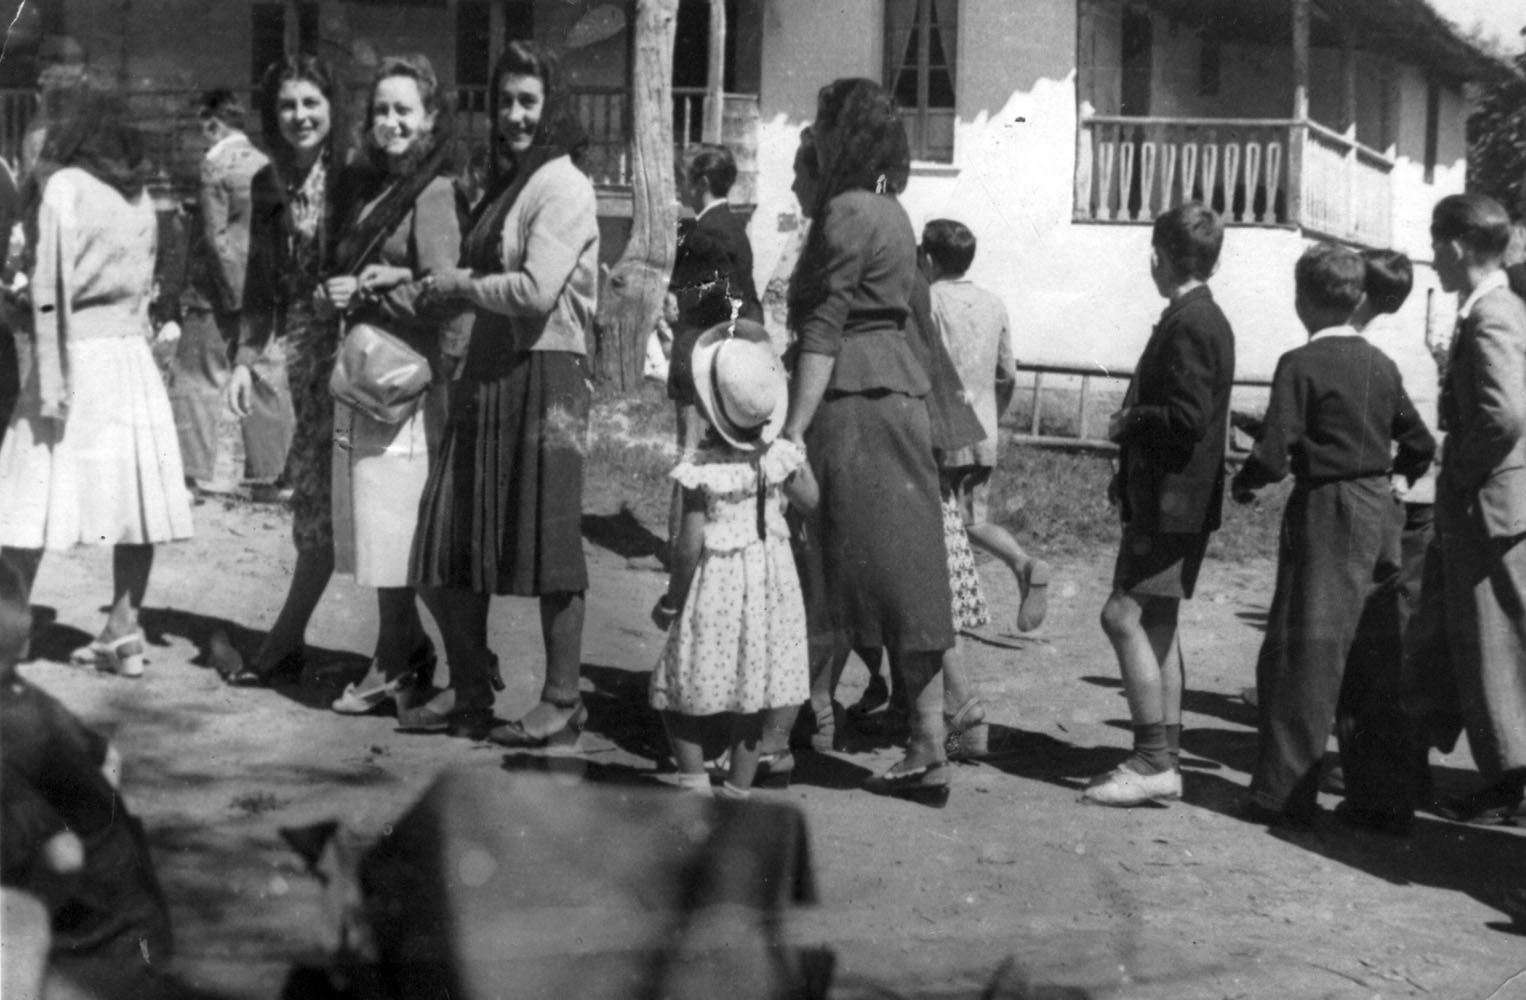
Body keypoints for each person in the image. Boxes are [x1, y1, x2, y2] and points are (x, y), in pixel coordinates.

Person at [401, 41, 599, 745]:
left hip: (545, 374)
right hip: (490, 370)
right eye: (506, 101)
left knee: (547, 544)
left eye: (529, 102)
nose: (514, 115)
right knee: (450, 535)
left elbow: (538, 289)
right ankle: (471, 691)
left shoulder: (563, 185)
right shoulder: (512, 184)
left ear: (552, 109)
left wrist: (459, 285)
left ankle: (563, 699)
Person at [784, 78, 955, 806]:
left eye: (822, 123)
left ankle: (826, 723)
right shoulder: (892, 209)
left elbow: (823, 330)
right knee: (903, 570)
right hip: (897, 394)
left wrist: (791, 431)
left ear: (842, 135)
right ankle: (923, 737)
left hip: (852, 400)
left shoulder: (846, 213)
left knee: (834, 564)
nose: (815, 133)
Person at [1230, 244, 1434, 829]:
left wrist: (1247, 483)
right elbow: (1419, 442)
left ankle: (1284, 794)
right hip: (1381, 513)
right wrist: (1395, 477)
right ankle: (1382, 799)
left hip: (1327, 508)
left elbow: (1274, 453)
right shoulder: (1380, 364)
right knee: (1374, 653)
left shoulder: (1300, 363)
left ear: (1302, 300)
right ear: (1356, 299)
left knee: (1304, 651)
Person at [0, 84, 194, 678]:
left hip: (75, 354)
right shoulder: (137, 195)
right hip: (129, 358)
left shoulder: (64, 189)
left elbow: (51, 292)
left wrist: (50, 375)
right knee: (133, 498)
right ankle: (123, 631)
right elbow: (143, 284)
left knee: (22, 496)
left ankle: (8, 633)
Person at [325, 55, 468, 715]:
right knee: (382, 530)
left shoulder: (434, 192)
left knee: (399, 532)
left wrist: (385, 288)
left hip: (407, 384)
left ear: (430, 118)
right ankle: (407, 657)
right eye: (381, 110)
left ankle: (436, 661)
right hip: (369, 379)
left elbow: (446, 296)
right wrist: (343, 290)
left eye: (403, 111)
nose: (390, 122)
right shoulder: (366, 186)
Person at [1087, 201, 1235, 807]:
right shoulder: (1200, 316)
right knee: (1157, 624)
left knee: (1121, 616)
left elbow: (1187, 418)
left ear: (1159, 256)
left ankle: (1150, 760)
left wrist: (1130, 421)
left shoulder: (1193, 322)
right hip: (1176, 501)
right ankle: (1164, 758)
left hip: (1171, 505)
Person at [225, 55, 350, 686]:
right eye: (287, 106)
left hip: (363, 351)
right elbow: (258, 279)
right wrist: (246, 360)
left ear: (332, 106)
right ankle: (296, 638)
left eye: (311, 103)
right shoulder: (266, 182)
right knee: (318, 500)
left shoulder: (356, 175)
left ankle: (287, 640)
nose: (300, 116)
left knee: (360, 499)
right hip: (304, 358)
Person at [650, 320, 816, 797]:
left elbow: (688, 547)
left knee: (677, 687)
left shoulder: (702, 471)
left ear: (709, 405)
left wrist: (671, 601)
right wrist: (793, 455)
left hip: (716, 586)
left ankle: (693, 781)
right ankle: (737, 795)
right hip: (769, 586)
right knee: (752, 696)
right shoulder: (778, 457)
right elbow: (812, 500)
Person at [0, 562, 173, 999]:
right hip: (138, 919)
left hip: (95, 954)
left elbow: (64, 858)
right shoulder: (29, 703)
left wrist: (32, 927)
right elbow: (109, 758)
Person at [1413, 194, 1526, 823]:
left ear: (1457, 245)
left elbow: (1505, 414)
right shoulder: (1493, 307)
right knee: (1489, 642)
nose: (1432, 259)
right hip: (1496, 502)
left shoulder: (1493, 314)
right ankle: (1506, 776)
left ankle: (1510, 783)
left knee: (1497, 643)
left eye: (1435, 246)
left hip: (1491, 504)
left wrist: (1460, 468)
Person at [921, 218, 1050, 634]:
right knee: (971, 519)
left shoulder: (928, 301)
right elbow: (1007, 371)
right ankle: (1023, 564)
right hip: (983, 429)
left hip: (940, 430)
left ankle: (944, 612)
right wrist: (995, 413)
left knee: (936, 520)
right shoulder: (993, 303)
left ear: (927, 257)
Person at [169, 87, 290, 500]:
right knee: (261, 372)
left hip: (215, 292)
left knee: (196, 376)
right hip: (262, 285)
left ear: (212, 121)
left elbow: (216, 235)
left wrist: (232, 293)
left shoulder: (214, 165)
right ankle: (273, 474)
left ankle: (190, 473)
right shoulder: (262, 162)